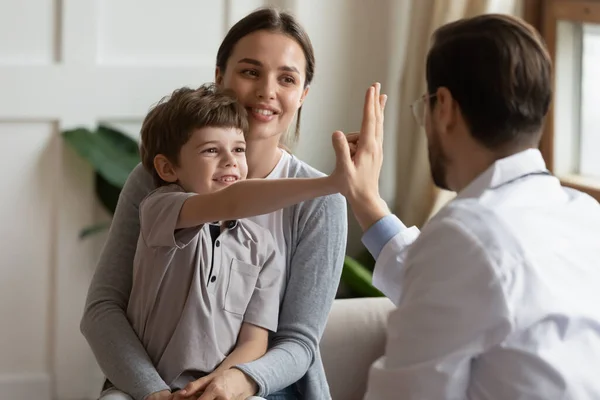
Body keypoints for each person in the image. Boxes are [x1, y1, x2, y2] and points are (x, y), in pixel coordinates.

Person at [81, 7, 349, 400]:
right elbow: (103, 309)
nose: (267, 91)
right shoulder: (156, 184)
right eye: (250, 71)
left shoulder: (319, 203)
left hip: (264, 386)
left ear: (303, 94)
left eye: (287, 78)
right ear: (220, 77)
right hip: (155, 383)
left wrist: (226, 384)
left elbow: (297, 342)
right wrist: (154, 391)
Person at [334, 14, 600, 399]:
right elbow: (455, 291)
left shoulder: (465, 234)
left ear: (443, 106)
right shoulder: (584, 215)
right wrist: (365, 201)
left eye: (424, 105)